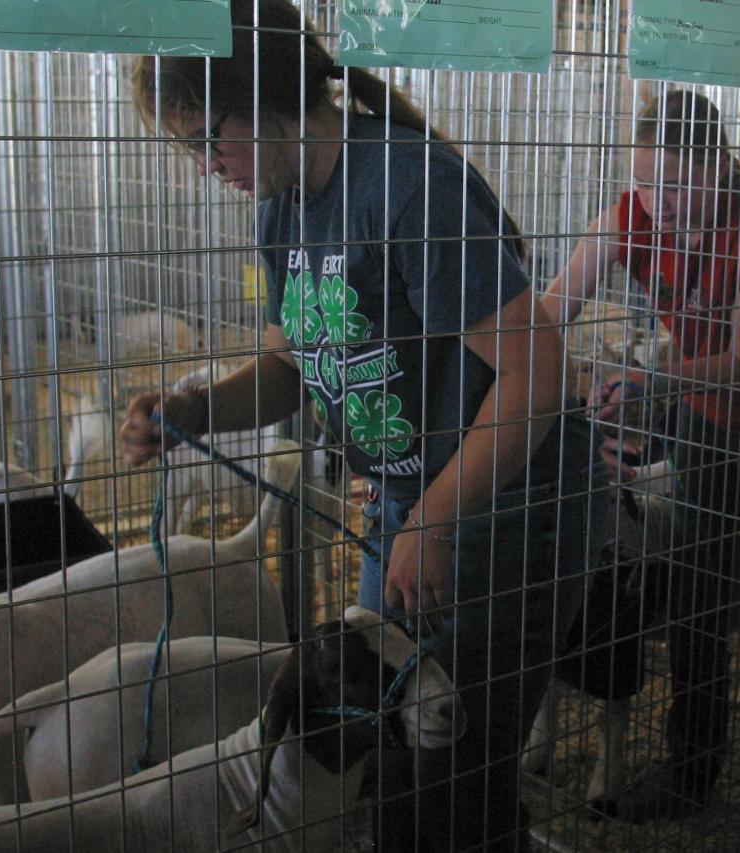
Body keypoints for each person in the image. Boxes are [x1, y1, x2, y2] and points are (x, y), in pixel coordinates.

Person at [119, 2, 606, 848]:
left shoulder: (412, 185)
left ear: (266, 98)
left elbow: (539, 371)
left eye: (208, 138)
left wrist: (437, 516)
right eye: (190, 148)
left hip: (509, 513)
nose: (207, 167)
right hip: (413, 511)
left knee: (449, 767)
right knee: (391, 749)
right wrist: (198, 411)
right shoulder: (281, 206)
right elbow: (287, 366)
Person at [541, 90, 740, 821]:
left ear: (719, 169)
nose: (661, 201)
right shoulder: (632, 217)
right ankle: (696, 759)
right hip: (696, 413)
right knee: (694, 581)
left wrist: (650, 380)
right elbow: (555, 310)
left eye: (678, 183)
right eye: (648, 181)